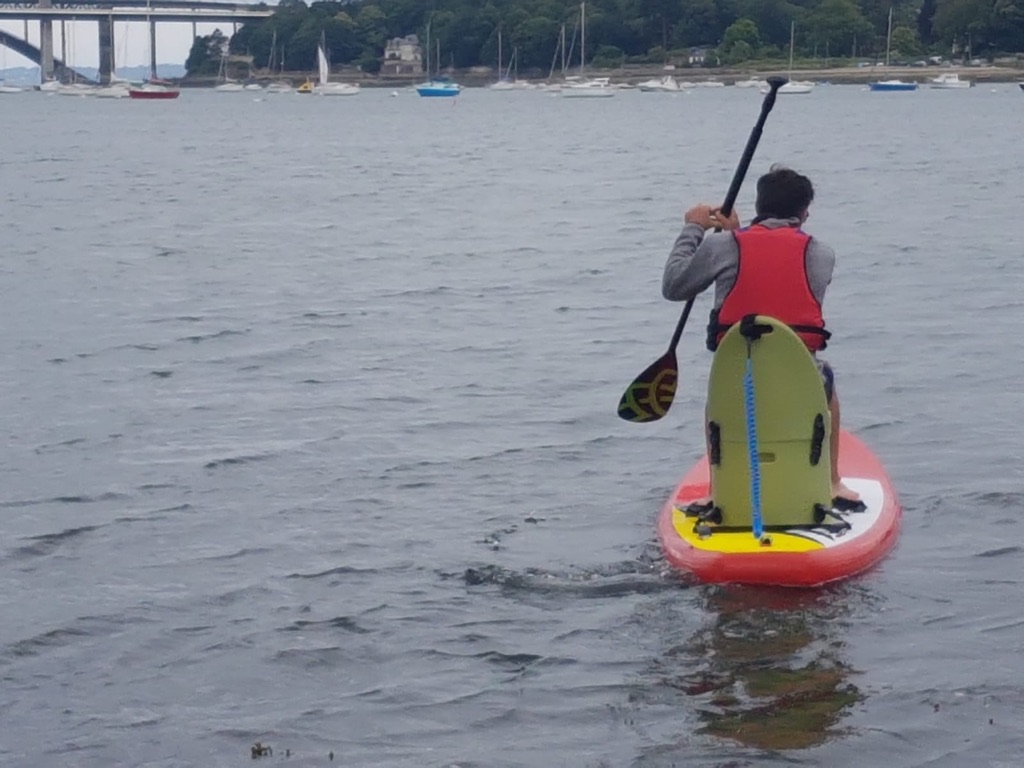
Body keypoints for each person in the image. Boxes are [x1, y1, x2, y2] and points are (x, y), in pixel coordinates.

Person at [661, 165, 859, 503]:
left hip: (736, 378)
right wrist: (736, 235)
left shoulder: (722, 247)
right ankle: (833, 481)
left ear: (758, 205)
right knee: (827, 375)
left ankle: (717, 489)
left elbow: (674, 286)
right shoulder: (823, 255)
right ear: (805, 212)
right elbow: (773, 275)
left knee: (715, 396)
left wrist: (694, 227)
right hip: (799, 379)